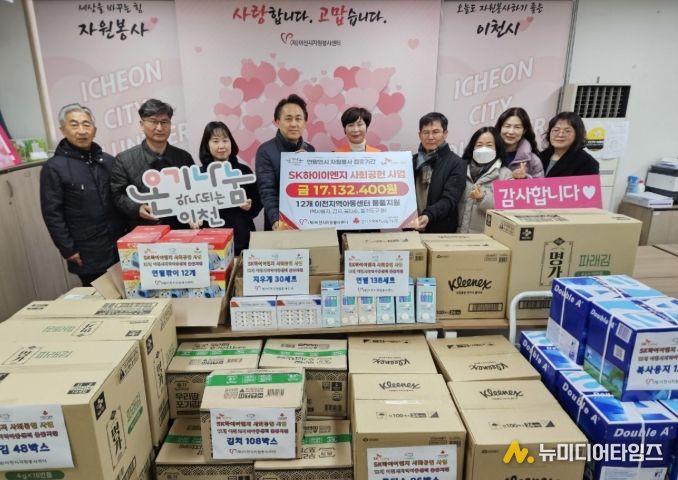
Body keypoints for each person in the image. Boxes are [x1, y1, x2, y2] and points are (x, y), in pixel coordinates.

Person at [40, 103, 126, 286]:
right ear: (63, 130)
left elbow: (121, 199)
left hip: (119, 245)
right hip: (87, 251)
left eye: (86, 124)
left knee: (129, 293)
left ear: (94, 130)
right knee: (100, 296)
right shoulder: (54, 168)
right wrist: (68, 249)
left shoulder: (109, 161)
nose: (81, 131)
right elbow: (52, 214)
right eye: (74, 125)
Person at [111, 98, 196, 230]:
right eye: (153, 122)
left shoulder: (184, 157)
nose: (159, 128)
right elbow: (117, 195)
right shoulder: (124, 159)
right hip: (145, 231)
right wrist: (136, 208)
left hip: (181, 230)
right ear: (141, 124)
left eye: (164, 122)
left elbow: (195, 191)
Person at [198, 121, 262, 254]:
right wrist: (195, 217)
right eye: (215, 141)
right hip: (211, 241)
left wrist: (250, 207)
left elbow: (258, 200)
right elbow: (192, 206)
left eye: (225, 140)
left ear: (231, 143)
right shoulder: (199, 175)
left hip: (242, 238)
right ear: (207, 145)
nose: (221, 146)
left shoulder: (243, 171)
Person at [256, 94, 315, 230]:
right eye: (288, 119)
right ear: (277, 122)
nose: (294, 124)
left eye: (298, 119)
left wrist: (308, 166)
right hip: (279, 224)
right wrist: (276, 219)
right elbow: (267, 190)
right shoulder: (265, 151)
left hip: (306, 221)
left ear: (305, 122)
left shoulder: (310, 150)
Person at [412, 112, 465, 233]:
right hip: (412, 228)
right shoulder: (411, 161)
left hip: (440, 231)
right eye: (426, 132)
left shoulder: (456, 163)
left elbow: (450, 199)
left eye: (435, 132)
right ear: (419, 135)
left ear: (445, 133)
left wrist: (428, 215)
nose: (430, 137)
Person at [458, 126, 512, 233]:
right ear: (472, 147)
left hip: (485, 236)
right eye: (479, 145)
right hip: (457, 234)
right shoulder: (460, 168)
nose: (483, 149)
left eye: (489, 145)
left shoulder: (506, 175)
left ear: (497, 148)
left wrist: (482, 198)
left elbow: (506, 209)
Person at [539, 112, 599, 177]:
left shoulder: (587, 162)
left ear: (577, 134)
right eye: (556, 130)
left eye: (567, 131)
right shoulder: (540, 157)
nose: (560, 135)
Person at [494, 107, 544, 179]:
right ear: (500, 128)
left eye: (517, 127)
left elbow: (539, 185)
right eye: (507, 126)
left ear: (524, 130)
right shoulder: (489, 152)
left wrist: (524, 178)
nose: (511, 132)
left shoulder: (533, 160)